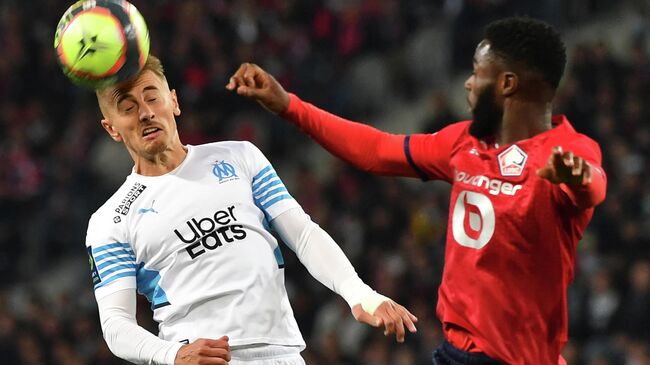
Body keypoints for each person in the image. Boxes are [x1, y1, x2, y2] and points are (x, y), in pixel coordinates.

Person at [227, 16, 607, 365]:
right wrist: (289, 106)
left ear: (507, 84)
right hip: (458, 353)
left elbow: (593, 187)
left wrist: (577, 177)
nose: (468, 82)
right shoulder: (464, 143)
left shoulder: (567, 152)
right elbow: (376, 151)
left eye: (478, 73)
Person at [85, 54, 418, 365]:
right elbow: (116, 325)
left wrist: (359, 292)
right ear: (111, 128)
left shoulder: (239, 157)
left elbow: (302, 233)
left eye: (151, 97)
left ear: (173, 100)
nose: (145, 112)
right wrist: (173, 355)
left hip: (283, 354)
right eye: (127, 107)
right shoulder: (110, 221)